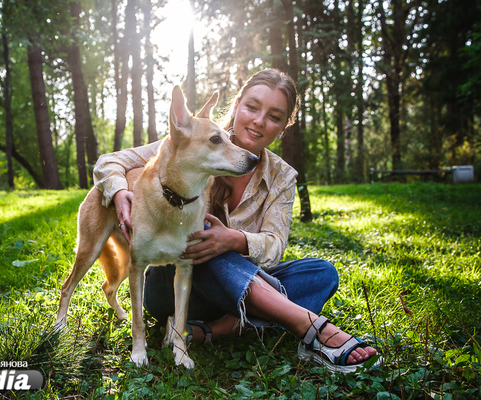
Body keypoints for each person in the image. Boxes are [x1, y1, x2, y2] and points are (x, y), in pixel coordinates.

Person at [93, 69, 380, 374]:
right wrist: (119, 189)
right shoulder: (194, 138)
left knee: (322, 273)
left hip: (238, 289)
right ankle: (311, 327)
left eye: (274, 116)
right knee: (201, 234)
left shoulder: (282, 177)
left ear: (283, 128)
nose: (259, 120)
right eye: (252, 107)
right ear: (237, 105)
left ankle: (213, 330)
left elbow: (275, 245)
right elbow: (109, 162)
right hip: (175, 279)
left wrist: (234, 239)